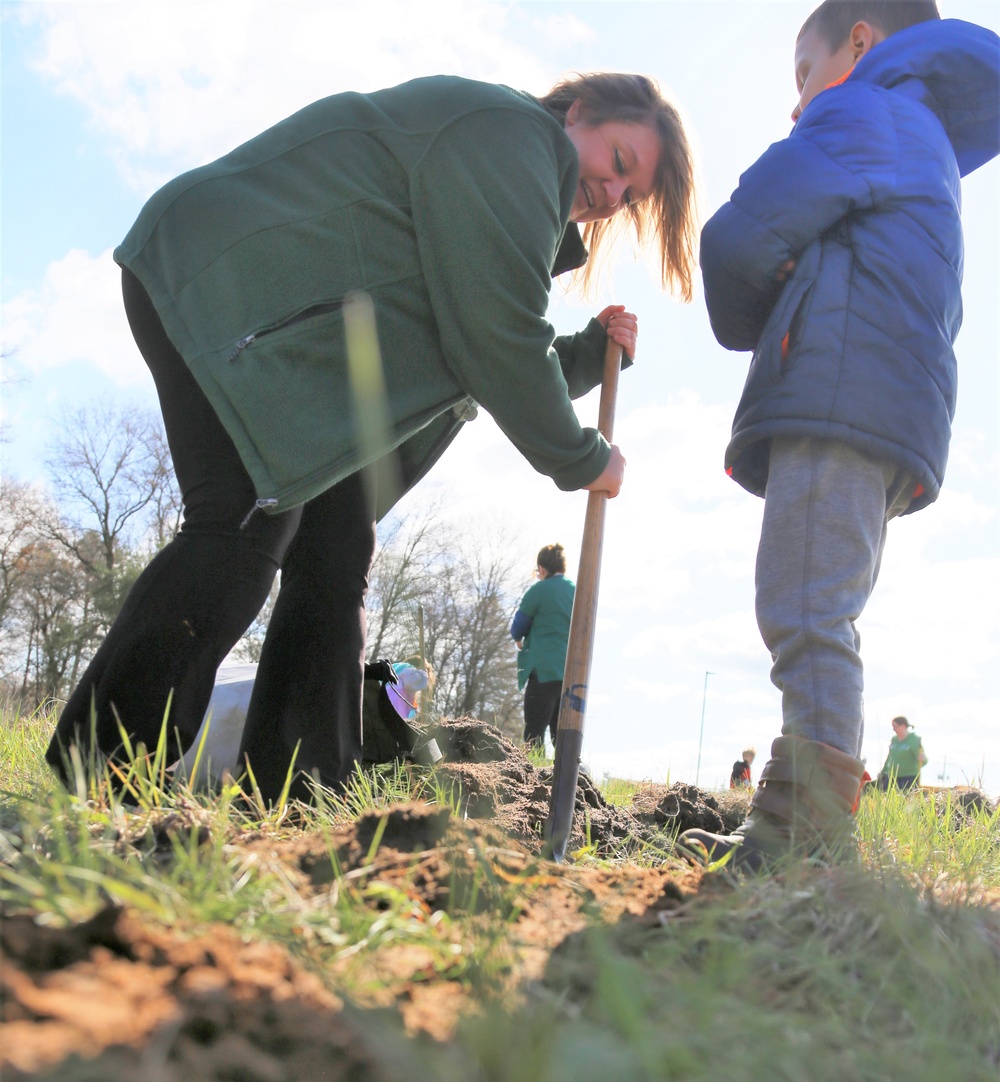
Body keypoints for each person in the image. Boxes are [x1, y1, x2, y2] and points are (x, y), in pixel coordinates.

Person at [45, 72, 698, 803]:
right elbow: (497, 339)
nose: (612, 197)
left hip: (299, 359)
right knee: (241, 530)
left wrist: (584, 356)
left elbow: (480, 332)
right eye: (617, 164)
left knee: (335, 550)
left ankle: (299, 788)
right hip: (232, 290)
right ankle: (98, 766)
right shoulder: (514, 137)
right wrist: (583, 459)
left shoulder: (510, 172)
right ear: (576, 115)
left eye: (630, 195)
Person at [687, 2, 998, 868]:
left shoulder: (864, 107)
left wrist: (766, 293)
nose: (798, 105)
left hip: (842, 391)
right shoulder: (924, 136)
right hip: (888, 404)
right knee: (816, 604)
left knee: (804, 608)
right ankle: (795, 818)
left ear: (859, 43)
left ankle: (804, 841)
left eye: (801, 75)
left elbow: (736, 241)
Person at [511, 543, 575, 750]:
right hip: (571, 672)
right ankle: (565, 777)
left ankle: (533, 776)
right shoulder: (577, 591)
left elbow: (519, 626)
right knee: (563, 732)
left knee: (535, 730)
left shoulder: (539, 590)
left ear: (542, 568)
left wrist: (519, 638)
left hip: (543, 669)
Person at [877, 715, 926, 790]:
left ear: (903, 726)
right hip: (892, 776)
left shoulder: (914, 740)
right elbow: (889, 757)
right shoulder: (894, 740)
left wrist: (922, 758)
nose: (893, 729)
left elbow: (924, 760)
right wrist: (883, 771)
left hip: (909, 777)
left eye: (895, 726)